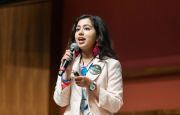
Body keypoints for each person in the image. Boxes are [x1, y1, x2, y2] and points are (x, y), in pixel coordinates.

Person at [54, 15, 123, 115]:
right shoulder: (69, 63)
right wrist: (67, 73)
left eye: (86, 28)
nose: (80, 32)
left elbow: (115, 105)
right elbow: (60, 101)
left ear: (98, 36)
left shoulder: (111, 65)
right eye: (77, 29)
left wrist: (92, 85)